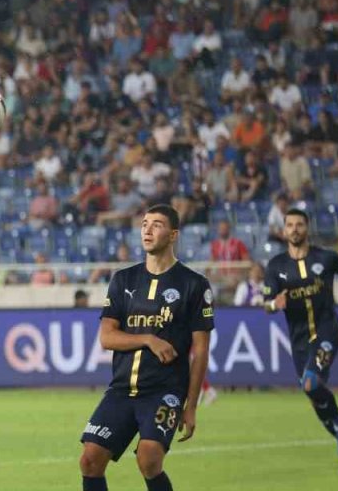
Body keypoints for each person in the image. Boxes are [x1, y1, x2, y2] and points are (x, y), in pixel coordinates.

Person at [79, 205, 214, 491]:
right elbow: (107, 338)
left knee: (149, 458)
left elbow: (201, 350)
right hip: (121, 389)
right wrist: (148, 339)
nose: (147, 230)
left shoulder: (194, 284)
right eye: (144, 224)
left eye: (157, 225)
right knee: (90, 460)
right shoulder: (123, 279)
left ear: (173, 235)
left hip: (164, 391)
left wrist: (191, 406)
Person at [262, 209, 338, 466]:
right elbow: (266, 304)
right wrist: (275, 304)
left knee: (311, 383)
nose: (294, 229)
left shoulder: (326, 257)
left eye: (299, 224)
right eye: (290, 225)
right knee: (312, 393)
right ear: (284, 230)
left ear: (307, 228)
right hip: (299, 339)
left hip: (327, 329)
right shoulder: (276, 266)